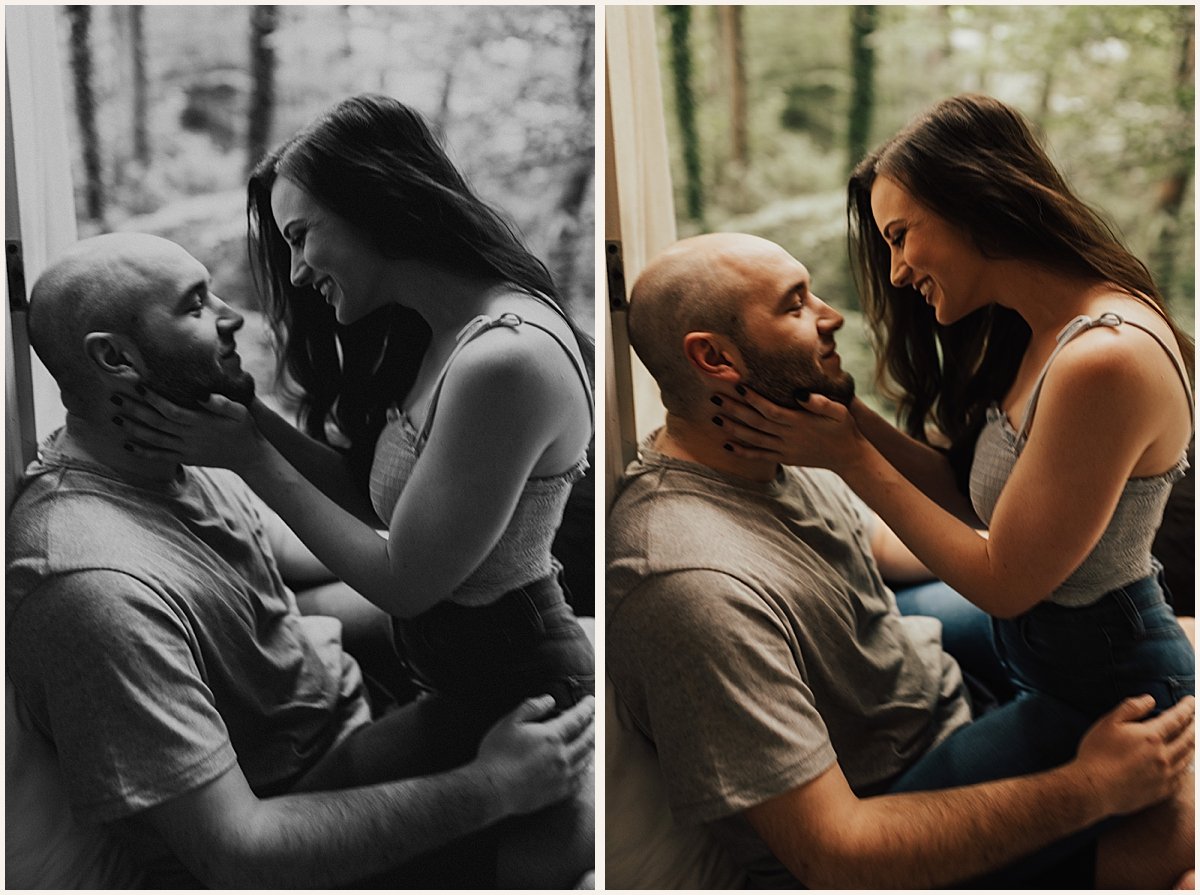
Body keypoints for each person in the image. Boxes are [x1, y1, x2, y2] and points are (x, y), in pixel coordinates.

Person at [6, 232, 596, 888]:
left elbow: (305, 562)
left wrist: (468, 591)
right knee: (572, 836)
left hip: (350, 719)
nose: (232, 314)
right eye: (197, 304)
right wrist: (492, 786)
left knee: (539, 662)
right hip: (298, 807)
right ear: (116, 357)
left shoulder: (172, 457)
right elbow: (236, 852)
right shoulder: (89, 584)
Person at [606, 231, 1194, 889]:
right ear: (715, 357)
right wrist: (1091, 787)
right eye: (795, 304)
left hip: (927, 687)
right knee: (1181, 822)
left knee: (1142, 644)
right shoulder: (688, 584)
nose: (831, 315)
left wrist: (1026, 567)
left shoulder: (768, 448)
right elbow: (836, 854)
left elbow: (876, 545)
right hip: (889, 810)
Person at [107, 94, 595, 793]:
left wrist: (246, 458)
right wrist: (247, 415)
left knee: (312, 807)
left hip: (516, 690)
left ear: (374, 202)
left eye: (301, 236)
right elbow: (378, 495)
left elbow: (407, 579)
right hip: (451, 666)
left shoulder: (504, 361)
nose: (299, 270)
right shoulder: (444, 332)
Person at [710, 95, 1194, 723]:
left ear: (973, 202)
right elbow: (974, 498)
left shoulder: (1102, 359)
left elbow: (1005, 583)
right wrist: (849, 415)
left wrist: (850, 460)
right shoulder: (1041, 329)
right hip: (1034, 649)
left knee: (893, 806)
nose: (896, 273)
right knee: (883, 618)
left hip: (1104, 687)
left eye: (899, 237)